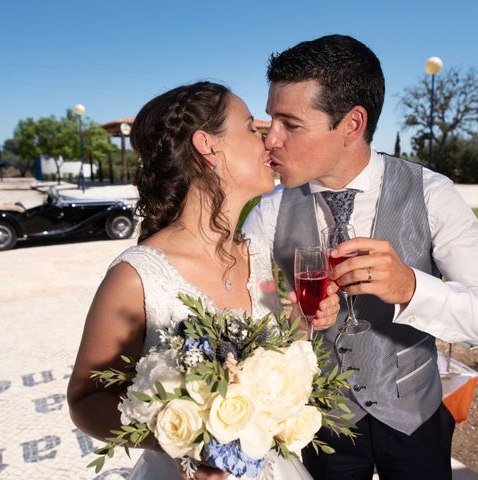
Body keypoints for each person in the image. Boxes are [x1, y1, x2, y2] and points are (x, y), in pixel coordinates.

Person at [243, 35, 478, 480]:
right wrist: (295, 323)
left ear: (352, 124)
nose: (270, 141)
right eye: (269, 121)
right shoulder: (269, 212)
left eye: (290, 124)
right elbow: (249, 328)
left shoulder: (433, 194)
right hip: (322, 423)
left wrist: (413, 288)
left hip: (416, 417)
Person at [67, 81, 340, 480]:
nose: (269, 142)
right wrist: (184, 440)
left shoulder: (257, 256)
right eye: (251, 128)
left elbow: (267, 349)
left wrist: (301, 326)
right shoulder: (136, 277)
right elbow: (85, 399)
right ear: (207, 146)